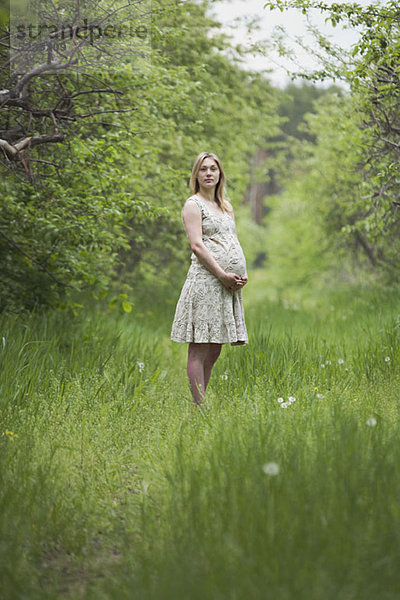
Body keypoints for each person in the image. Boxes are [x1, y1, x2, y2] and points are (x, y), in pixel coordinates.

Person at [170, 152, 248, 406]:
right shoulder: (193, 205)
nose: (208, 173)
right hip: (205, 282)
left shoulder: (226, 206)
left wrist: (240, 272)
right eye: (203, 169)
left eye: (213, 169)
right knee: (200, 347)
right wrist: (222, 274)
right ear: (196, 174)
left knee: (215, 348)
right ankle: (200, 407)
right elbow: (197, 245)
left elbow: (231, 241)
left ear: (220, 174)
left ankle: (198, 405)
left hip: (225, 287)